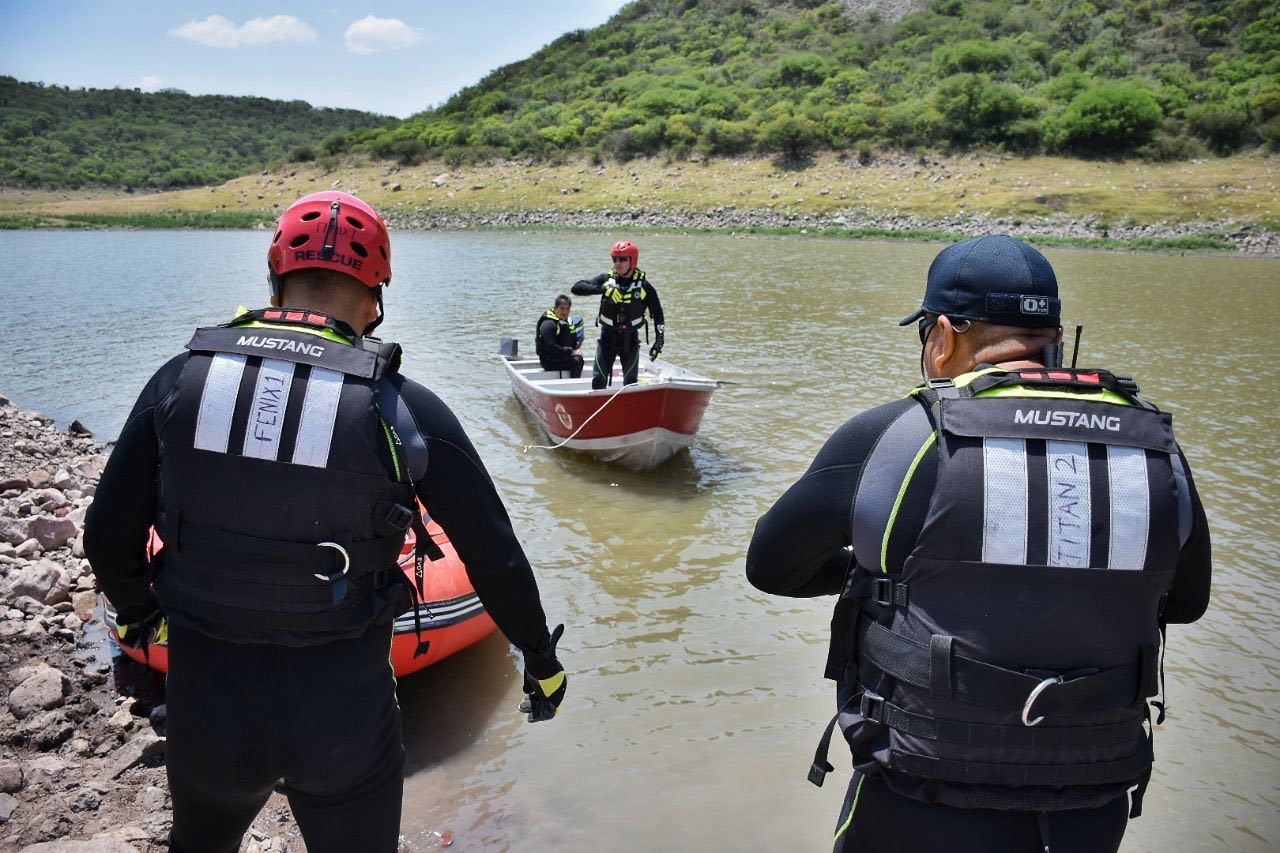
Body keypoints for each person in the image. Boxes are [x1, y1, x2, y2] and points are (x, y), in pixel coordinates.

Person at [83, 191, 568, 853]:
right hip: (341, 718)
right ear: (376, 298)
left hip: (209, 704)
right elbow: (495, 554)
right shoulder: (402, 408)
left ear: (275, 278)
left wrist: (139, 613)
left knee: (199, 839)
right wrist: (541, 660)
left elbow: (107, 532)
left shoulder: (179, 382)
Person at [746, 235, 1211, 853]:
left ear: (941, 335)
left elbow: (772, 567)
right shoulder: (1153, 446)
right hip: (1092, 801)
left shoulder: (899, 437)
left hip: (919, 795)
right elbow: (1184, 601)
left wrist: (883, 570)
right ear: (1053, 336)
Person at [571, 240, 666, 390]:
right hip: (607, 339)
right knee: (598, 380)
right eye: (615, 259)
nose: (617, 263)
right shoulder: (606, 280)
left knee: (630, 382)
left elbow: (659, 315)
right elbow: (576, 288)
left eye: (622, 259)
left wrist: (659, 340)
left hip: (630, 341)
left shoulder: (644, 286)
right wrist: (602, 289)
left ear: (632, 260)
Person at [536, 293, 584, 377]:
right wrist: (571, 352)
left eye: (567, 309)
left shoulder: (566, 322)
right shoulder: (548, 324)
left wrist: (575, 348)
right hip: (549, 361)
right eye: (561, 308)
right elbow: (550, 347)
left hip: (560, 357)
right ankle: (573, 385)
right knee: (578, 361)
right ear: (555, 308)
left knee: (578, 357)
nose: (564, 312)